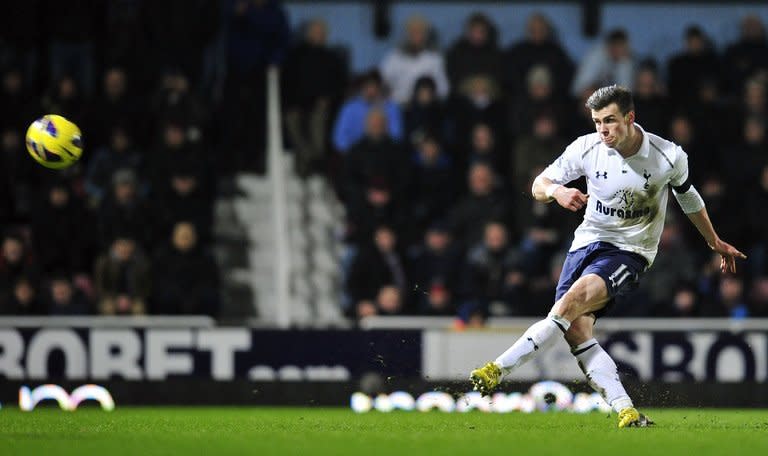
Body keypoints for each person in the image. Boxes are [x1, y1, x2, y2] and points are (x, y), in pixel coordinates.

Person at [469, 85, 746, 428]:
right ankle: (627, 411)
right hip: (586, 243)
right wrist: (557, 191)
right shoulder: (587, 148)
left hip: (631, 251)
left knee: (573, 301)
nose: (603, 129)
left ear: (630, 118)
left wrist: (713, 240)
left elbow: (689, 198)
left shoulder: (667, 155)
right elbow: (538, 184)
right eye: (598, 121)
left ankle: (497, 369)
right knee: (576, 330)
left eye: (610, 121)